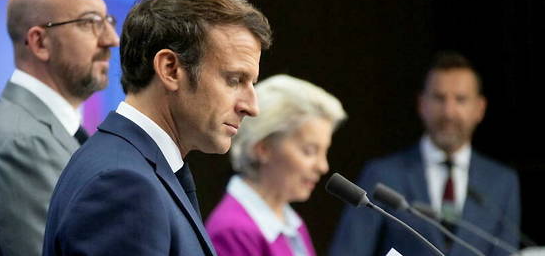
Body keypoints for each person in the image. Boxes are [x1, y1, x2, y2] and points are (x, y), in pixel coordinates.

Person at [42, 0, 272, 256]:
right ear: (170, 69)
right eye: (235, 80)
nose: (251, 106)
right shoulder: (124, 185)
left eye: (252, 83)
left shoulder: (136, 166)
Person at [0, 0, 119, 256]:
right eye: (90, 23)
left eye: (108, 21)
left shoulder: (44, 131)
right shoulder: (23, 145)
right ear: (40, 43)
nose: (111, 39)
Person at [328, 51, 520, 256]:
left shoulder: (502, 182)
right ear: (422, 104)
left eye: (461, 99)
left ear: (480, 108)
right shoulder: (382, 174)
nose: (448, 112)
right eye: (439, 98)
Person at [206, 74, 347, 256]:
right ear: (263, 148)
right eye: (309, 151)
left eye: (324, 152)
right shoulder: (233, 231)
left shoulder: (292, 222)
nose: (323, 166)